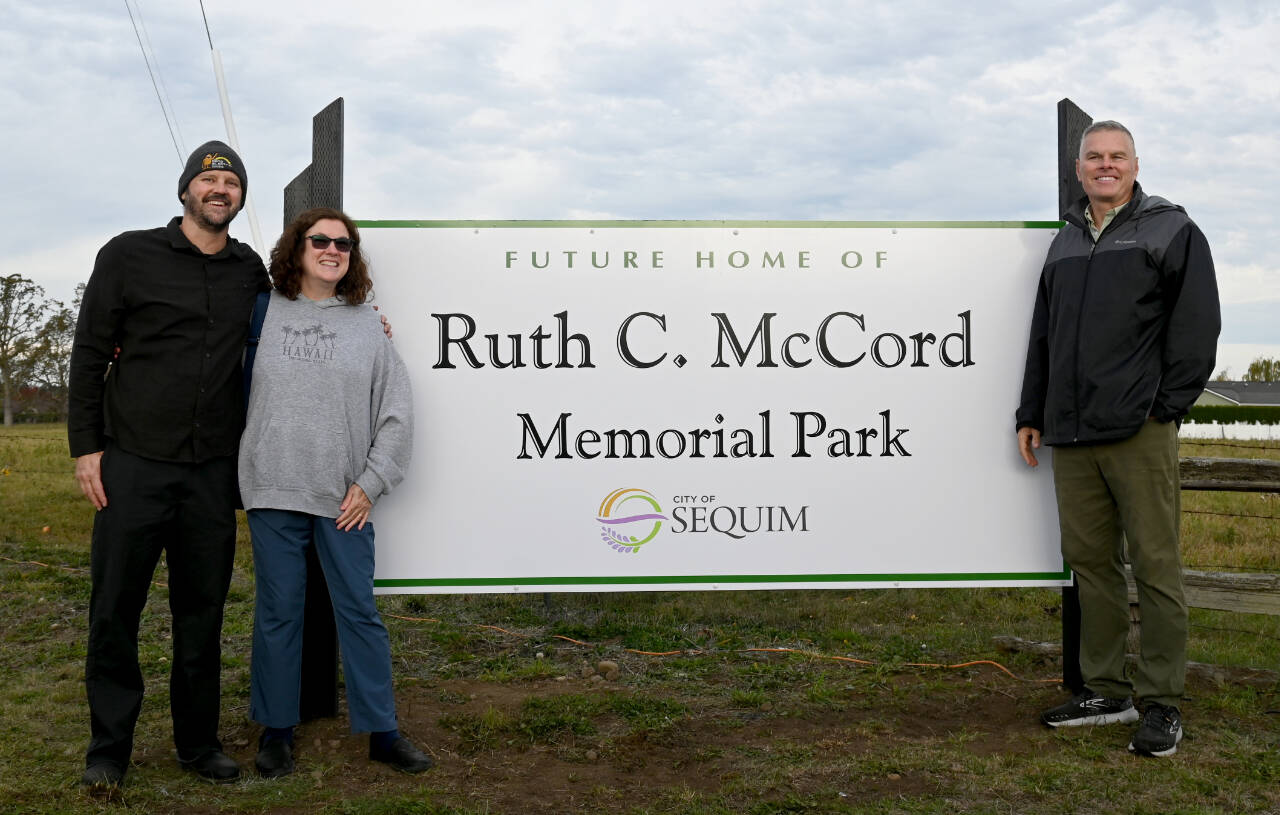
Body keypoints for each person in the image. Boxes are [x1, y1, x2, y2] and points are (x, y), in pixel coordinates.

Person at [1016, 120, 1220, 757]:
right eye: (1095, 158)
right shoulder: (1065, 243)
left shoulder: (1171, 230)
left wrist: (1164, 409)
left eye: (1118, 157)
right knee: (1092, 565)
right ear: (1079, 170)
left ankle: (1161, 701)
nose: (1106, 166)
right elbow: (1044, 333)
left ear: (1135, 165)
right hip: (1071, 431)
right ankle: (1106, 689)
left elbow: (1196, 329)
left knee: (1156, 566)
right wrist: (1032, 410)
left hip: (1139, 429)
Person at [69, 141, 265, 789]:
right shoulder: (129, 254)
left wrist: (364, 319)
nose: (220, 188)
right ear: (185, 190)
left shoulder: (248, 270)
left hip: (211, 472)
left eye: (231, 181)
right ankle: (109, 748)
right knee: (114, 608)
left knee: (202, 611)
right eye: (208, 179)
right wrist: (85, 447)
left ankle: (197, 743)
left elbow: (293, 330)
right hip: (131, 464)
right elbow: (91, 350)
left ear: (239, 197)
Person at [239, 207, 431, 777]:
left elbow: (397, 411)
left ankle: (382, 731)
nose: (332, 249)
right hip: (273, 486)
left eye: (343, 244)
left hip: (344, 496)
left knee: (359, 611)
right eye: (319, 240)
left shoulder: (368, 324)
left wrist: (371, 483)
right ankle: (276, 730)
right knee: (279, 613)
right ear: (297, 249)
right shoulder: (259, 311)